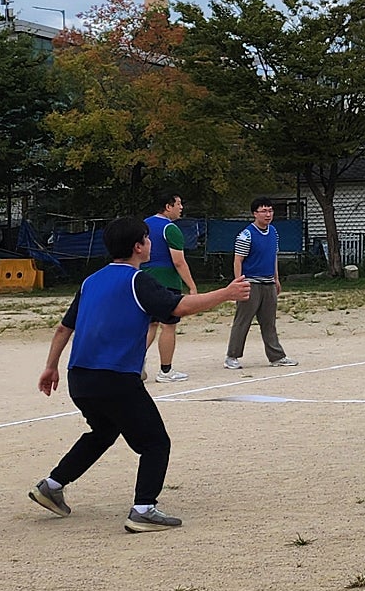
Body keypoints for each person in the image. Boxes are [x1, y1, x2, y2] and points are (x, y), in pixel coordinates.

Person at [28, 216, 251, 531]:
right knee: (155, 443)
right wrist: (226, 294)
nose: (150, 244)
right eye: (147, 239)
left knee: (103, 432)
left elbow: (65, 327)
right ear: (138, 246)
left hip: (80, 377)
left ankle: (51, 485)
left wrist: (51, 367)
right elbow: (179, 307)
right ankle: (143, 509)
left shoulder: (90, 281)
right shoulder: (138, 280)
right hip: (115, 378)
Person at [224, 200, 299, 372]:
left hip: (268, 282)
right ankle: (232, 356)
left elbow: (273, 256)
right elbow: (238, 259)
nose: (268, 214)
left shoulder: (273, 232)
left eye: (270, 211)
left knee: (269, 322)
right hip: (251, 282)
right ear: (255, 213)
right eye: (264, 211)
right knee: (243, 320)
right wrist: (239, 283)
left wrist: (276, 279)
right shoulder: (246, 235)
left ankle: (276, 356)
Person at [143, 193, 196, 382]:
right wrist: (192, 286)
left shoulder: (143, 225)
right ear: (168, 206)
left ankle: (135, 363)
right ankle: (166, 371)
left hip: (143, 280)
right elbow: (179, 262)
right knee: (169, 325)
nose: (181, 207)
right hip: (165, 281)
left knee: (149, 324)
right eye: (179, 204)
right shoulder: (170, 229)